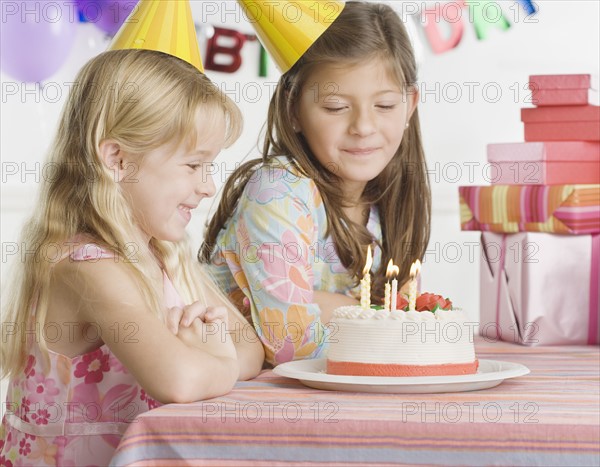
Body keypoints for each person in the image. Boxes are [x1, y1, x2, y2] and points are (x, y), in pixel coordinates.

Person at [0, 47, 264, 466]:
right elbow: (177, 380)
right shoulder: (85, 266)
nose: (209, 186)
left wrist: (205, 358)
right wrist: (207, 356)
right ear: (118, 161)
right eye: (194, 166)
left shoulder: (163, 253)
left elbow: (249, 347)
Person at [200, 1, 431, 366]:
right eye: (336, 107)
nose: (364, 127)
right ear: (293, 109)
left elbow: (407, 315)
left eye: (385, 106)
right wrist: (368, 314)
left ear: (410, 105)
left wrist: (331, 307)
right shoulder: (278, 190)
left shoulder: (388, 204)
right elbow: (292, 344)